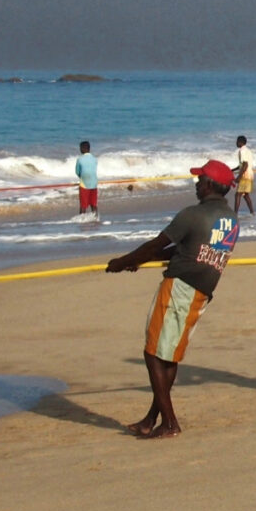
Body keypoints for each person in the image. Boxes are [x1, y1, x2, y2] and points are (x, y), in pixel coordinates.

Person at [105, 159, 240, 438]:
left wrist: (121, 262)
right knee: (168, 354)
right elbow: (187, 249)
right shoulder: (231, 220)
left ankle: (169, 423)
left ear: (210, 184)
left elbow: (157, 245)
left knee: (154, 354)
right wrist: (140, 260)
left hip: (180, 286)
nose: (196, 184)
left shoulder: (193, 214)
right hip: (202, 291)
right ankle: (151, 419)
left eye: (200, 180)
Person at [75, 140, 98, 216]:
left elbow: (77, 172)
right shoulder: (94, 159)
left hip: (84, 184)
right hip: (94, 184)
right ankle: (96, 218)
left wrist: (81, 177)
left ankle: (82, 219)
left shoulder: (80, 159)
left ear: (82, 149)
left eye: (80, 148)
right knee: (93, 204)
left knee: (83, 205)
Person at [233, 135, 255, 215]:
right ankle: (252, 212)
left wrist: (239, 177)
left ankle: (235, 213)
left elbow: (245, 165)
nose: (236, 143)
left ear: (240, 142)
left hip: (245, 175)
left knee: (238, 194)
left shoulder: (242, 151)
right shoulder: (248, 151)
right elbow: (241, 165)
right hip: (250, 175)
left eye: (237, 141)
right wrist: (232, 170)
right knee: (245, 195)